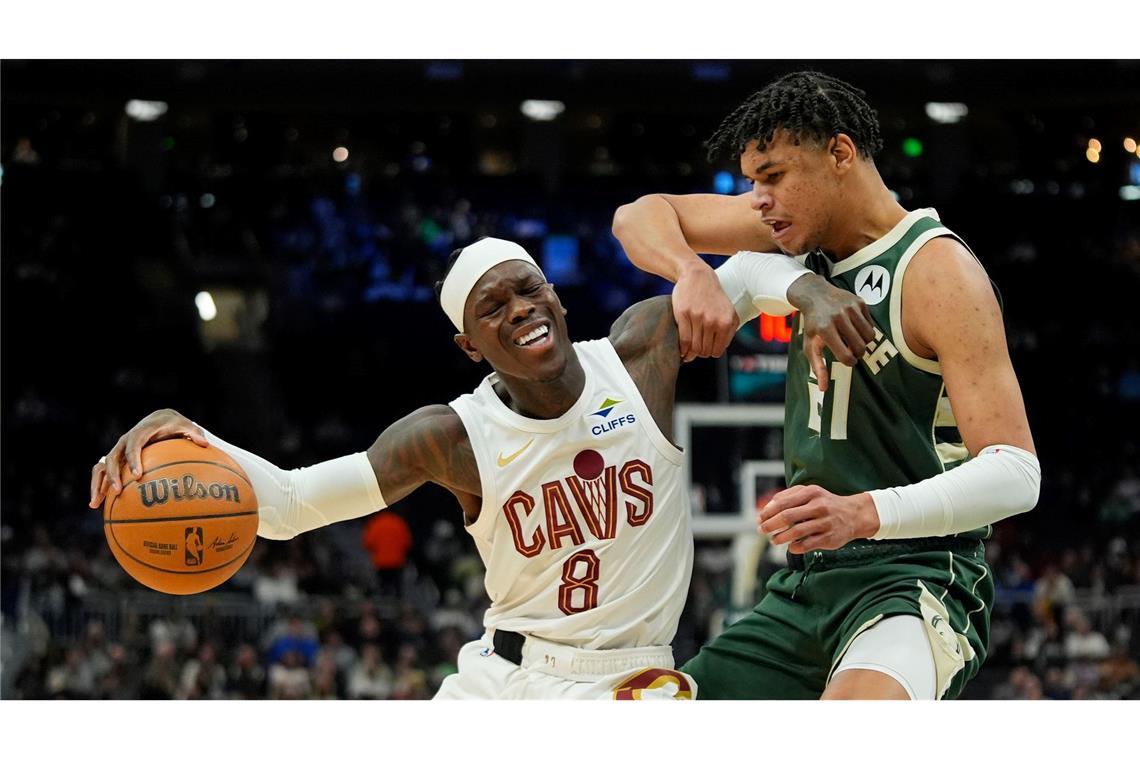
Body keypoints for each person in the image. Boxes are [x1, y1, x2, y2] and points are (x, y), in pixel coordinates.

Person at [88, 236, 865, 700]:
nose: (520, 308)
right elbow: (289, 503)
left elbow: (744, 273)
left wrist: (810, 291)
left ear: (555, 297)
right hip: (500, 678)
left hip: (625, 683)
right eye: (493, 308)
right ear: (469, 345)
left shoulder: (640, 354)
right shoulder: (449, 436)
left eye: (529, 290)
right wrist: (191, 435)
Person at [612, 70, 1041, 700]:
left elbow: (1016, 473)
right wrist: (692, 272)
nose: (758, 199)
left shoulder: (938, 272)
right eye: (752, 181)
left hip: (914, 577)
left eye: (774, 176)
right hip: (806, 585)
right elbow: (638, 216)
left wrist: (861, 513)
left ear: (840, 154)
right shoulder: (792, 238)